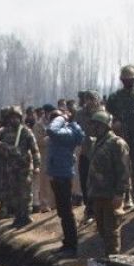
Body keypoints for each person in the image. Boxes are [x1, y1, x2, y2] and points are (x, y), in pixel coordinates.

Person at [104, 66, 134, 208]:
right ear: (122, 80)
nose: (128, 82)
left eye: (131, 79)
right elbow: (107, 116)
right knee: (121, 167)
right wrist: (114, 123)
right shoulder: (114, 97)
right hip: (120, 137)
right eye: (126, 80)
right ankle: (126, 197)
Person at [83, 110, 130, 255]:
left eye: (96, 125)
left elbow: (124, 170)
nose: (93, 128)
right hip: (98, 194)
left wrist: (119, 194)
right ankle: (108, 258)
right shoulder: (97, 143)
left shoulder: (117, 143)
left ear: (103, 126)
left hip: (111, 195)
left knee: (112, 232)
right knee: (103, 230)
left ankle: (114, 261)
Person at [43, 105, 85, 254]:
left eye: (54, 120)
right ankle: (67, 243)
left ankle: (71, 246)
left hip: (63, 176)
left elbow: (51, 130)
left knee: (66, 212)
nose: (52, 122)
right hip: (59, 175)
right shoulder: (65, 132)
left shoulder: (67, 132)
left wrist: (61, 117)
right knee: (63, 211)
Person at [0, 106, 39, 228]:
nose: (13, 120)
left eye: (16, 117)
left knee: (25, 192)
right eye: (11, 117)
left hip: (24, 167)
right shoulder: (4, 133)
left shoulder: (26, 132)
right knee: (13, 193)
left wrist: (37, 165)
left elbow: (35, 149)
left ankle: (26, 216)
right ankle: (18, 216)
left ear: (20, 118)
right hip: (10, 168)